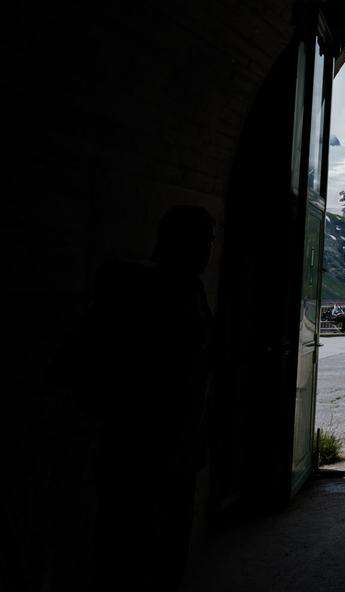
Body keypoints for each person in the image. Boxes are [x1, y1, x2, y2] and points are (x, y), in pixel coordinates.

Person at [75, 205, 216, 590]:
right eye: (202, 242)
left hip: (165, 442)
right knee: (132, 541)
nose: (207, 251)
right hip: (141, 440)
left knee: (151, 540)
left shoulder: (181, 287)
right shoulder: (137, 287)